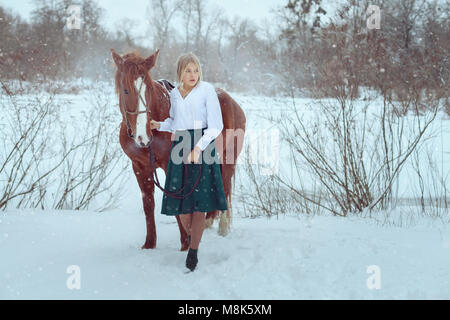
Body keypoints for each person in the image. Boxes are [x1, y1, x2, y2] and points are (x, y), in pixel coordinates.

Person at [150, 52, 228, 272]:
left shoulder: (207, 91)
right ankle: (195, 235)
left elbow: (216, 126)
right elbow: (176, 122)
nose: (193, 74)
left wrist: (198, 148)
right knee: (180, 201)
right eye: (188, 70)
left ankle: (193, 251)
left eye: (196, 70)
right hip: (180, 145)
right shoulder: (174, 93)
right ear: (180, 73)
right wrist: (160, 125)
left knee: (199, 203)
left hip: (202, 144)